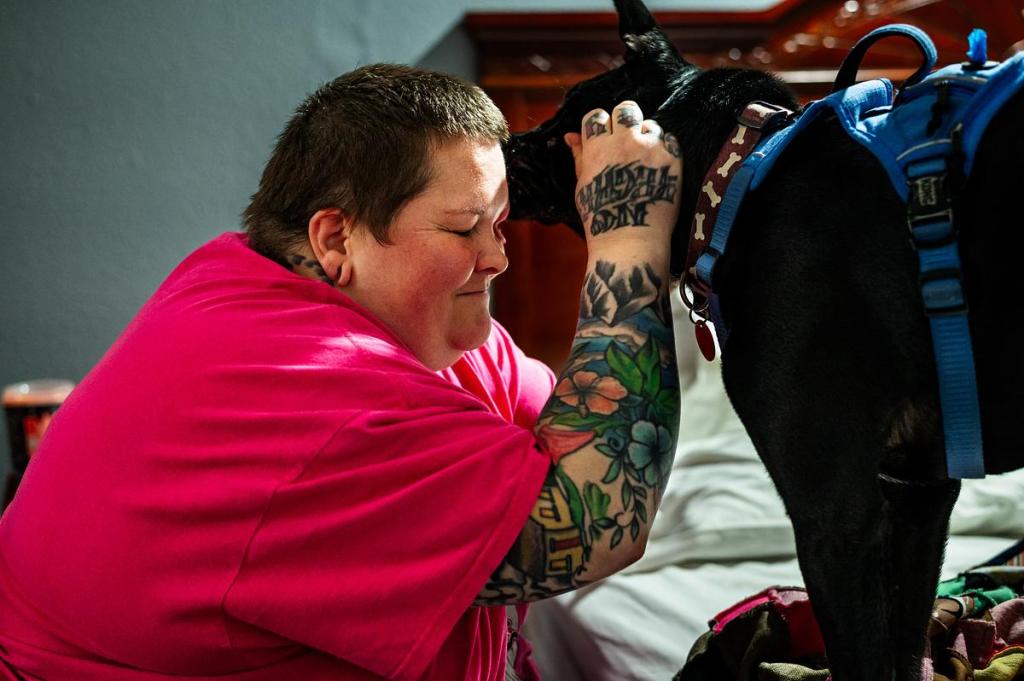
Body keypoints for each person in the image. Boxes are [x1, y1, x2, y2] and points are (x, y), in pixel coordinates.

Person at [0, 64, 682, 680]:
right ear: (335, 238)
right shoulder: (307, 392)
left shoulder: (256, 273)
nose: (497, 256)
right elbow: (599, 519)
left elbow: (571, 437)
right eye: (464, 227)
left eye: (498, 224)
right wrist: (628, 241)